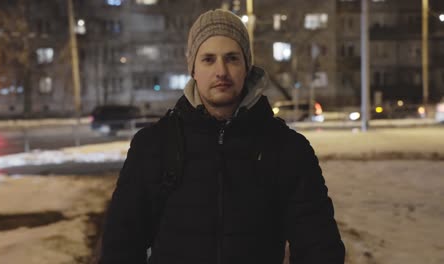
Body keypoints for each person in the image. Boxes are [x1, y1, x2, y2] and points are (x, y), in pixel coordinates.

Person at [98, 9, 345, 264]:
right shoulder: (154, 146)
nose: (221, 71)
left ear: (247, 66)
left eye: (232, 58)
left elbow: (319, 247)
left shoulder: (287, 149)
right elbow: (121, 245)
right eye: (208, 59)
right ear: (192, 68)